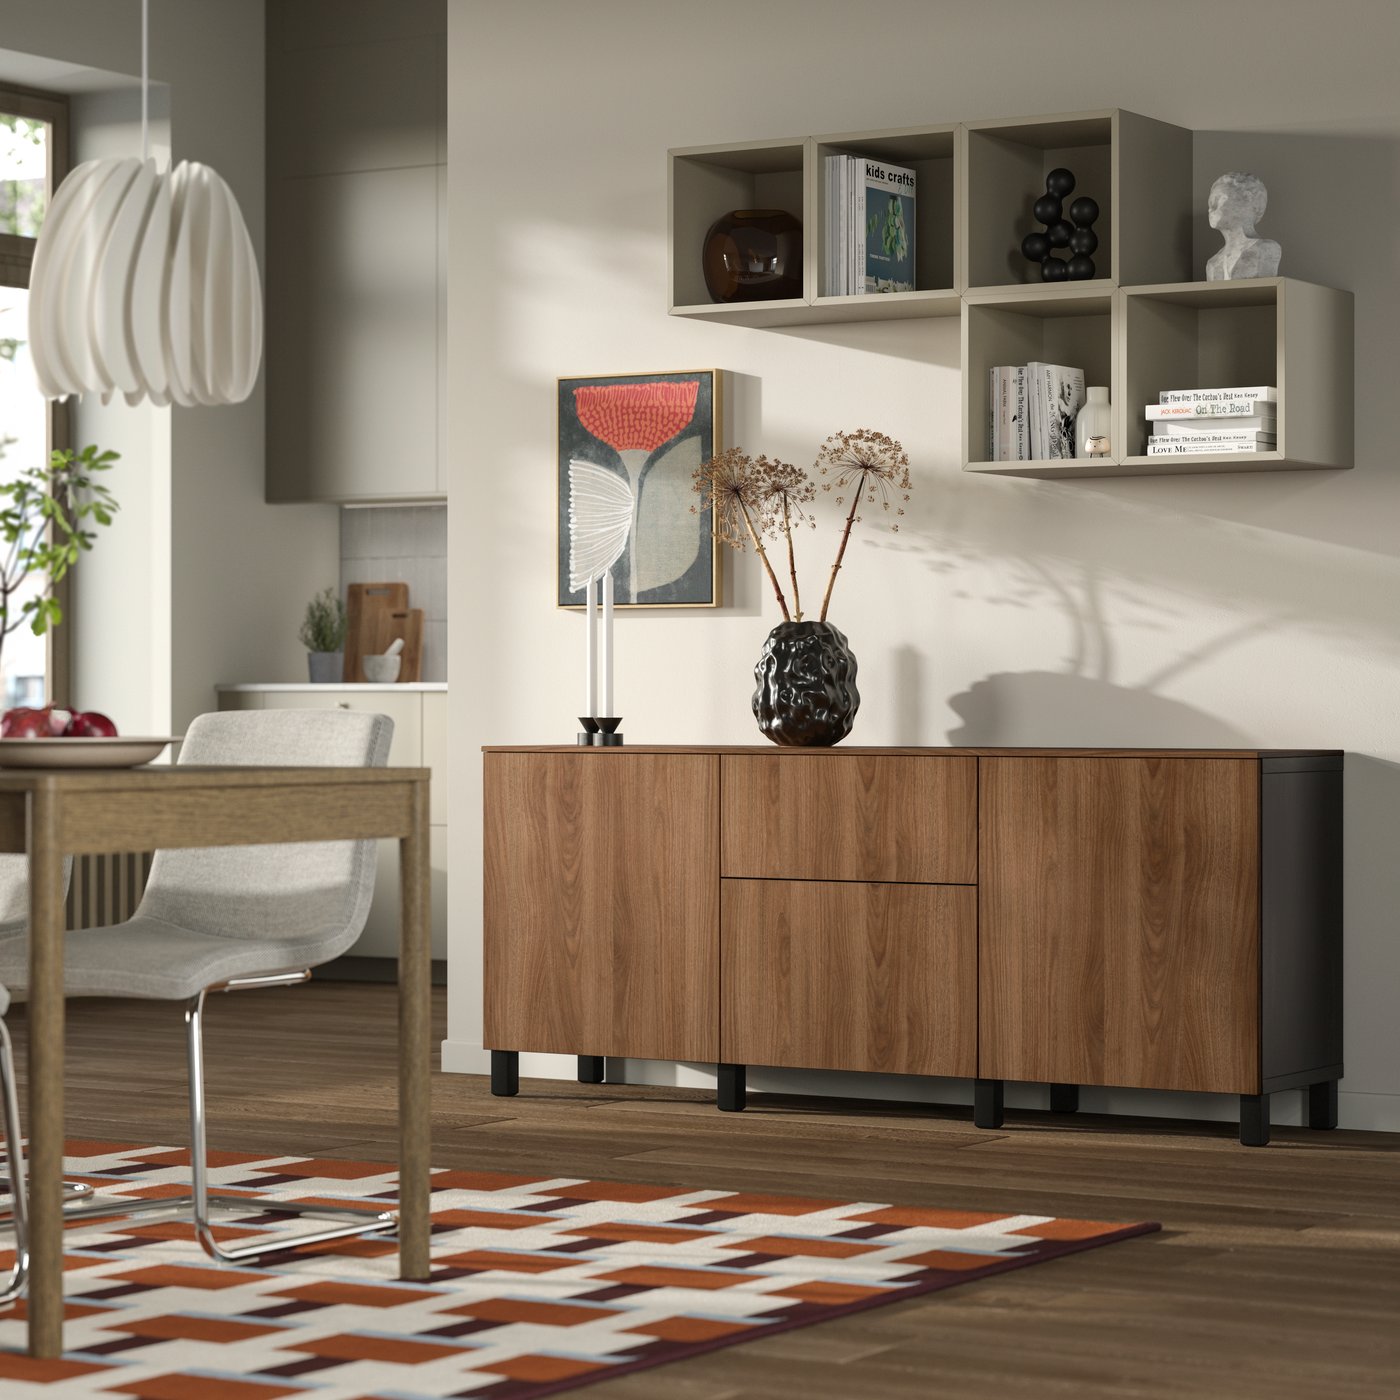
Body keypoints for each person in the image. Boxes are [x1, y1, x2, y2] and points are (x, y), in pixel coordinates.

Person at [1206, 172, 1281, 281]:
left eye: (1219, 199)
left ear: (1247, 201)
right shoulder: (1213, 262)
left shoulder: (1266, 249)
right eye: (1210, 202)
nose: (1211, 208)